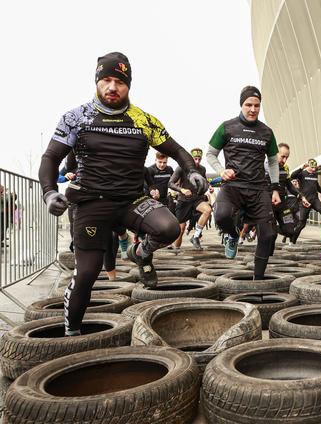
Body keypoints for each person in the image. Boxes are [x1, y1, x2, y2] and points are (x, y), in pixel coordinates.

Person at [38, 52, 206, 337]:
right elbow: (51, 157)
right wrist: (49, 192)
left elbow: (177, 151)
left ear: (129, 85)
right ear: (97, 82)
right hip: (92, 203)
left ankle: (140, 252)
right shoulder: (76, 117)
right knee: (88, 274)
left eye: (119, 81)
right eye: (106, 80)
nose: (112, 87)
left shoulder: (143, 119)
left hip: (132, 200)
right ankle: (72, 333)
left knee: (167, 228)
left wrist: (191, 170)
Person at [205, 86, 280, 280]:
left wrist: (275, 188)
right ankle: (232, 235)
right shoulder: (227, 127)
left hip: (258, 189)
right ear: (241, 105)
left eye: (256, 105)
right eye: (248, 105)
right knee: (221, 217)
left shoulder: (267, 132)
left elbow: (272, 161)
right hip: (233, 187)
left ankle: (258, 278)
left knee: (268, 235)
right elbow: (211, 154)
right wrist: (222, 171)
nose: (253, 109)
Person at [168, 148, 211, 250]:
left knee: (207, 210)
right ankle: (177, 250)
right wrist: (182, 190)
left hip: (197, 199)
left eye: (199, 159)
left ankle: (195, 237)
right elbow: (170, 183)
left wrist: (209, 187)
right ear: (190, 159)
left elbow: (203, 183)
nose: (197, 161)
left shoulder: (202, 169)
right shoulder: (181, 168)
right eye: (195, 159)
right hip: (184, 200)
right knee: (181, 229)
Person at [272, 143, 309, 246]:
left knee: (290, 231)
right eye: (282, 156)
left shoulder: (285, 168)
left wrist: (301, 197)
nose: (284, 160)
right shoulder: (264, 166)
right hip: (268, 204)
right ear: (275, 154)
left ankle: (270, 229)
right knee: (270, 235)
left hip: (282, 205)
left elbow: (289, 185)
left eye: (286, 158)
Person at [290, 158, 321, 241]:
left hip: (314, 199)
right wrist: (301, 168)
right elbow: (292, 176)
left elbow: (317, 186)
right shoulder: (302, 173)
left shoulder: (315, 174)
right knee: (302, 224)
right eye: (312, 168)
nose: (314, 169)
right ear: (308, 166)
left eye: (315, 168)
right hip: (305, 201)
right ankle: (292, 240)